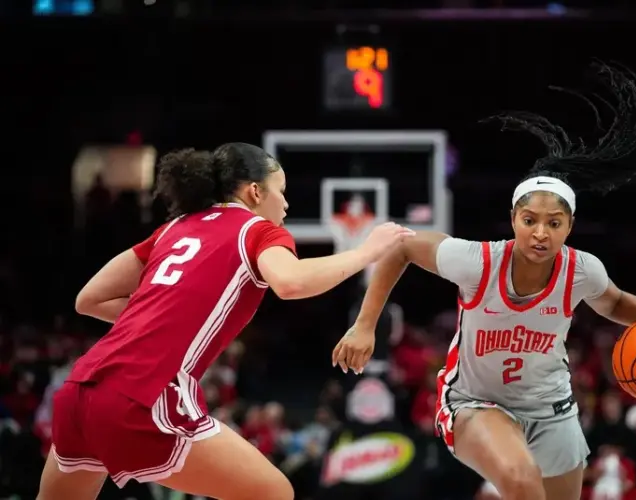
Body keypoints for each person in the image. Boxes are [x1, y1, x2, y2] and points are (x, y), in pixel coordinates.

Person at [332, 41, 636, 500]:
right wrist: (364, 325)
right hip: (475, 402)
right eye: (529, 221)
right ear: (513, 219)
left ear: (569, 226)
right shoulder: (478, 261)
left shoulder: (580, 270)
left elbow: (614, 301)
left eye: (554, 224)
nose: (540, 233)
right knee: (519, 480)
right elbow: (401, 248)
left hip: (552, 408)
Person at [37, 142, 414, 500]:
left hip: (81, 391)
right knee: (274, 493)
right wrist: (366, 250)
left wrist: (167, 317)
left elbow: (89, 299)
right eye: (279, 190)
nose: (285, 202)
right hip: (145, 392)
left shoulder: (174, 228)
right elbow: (292, 282)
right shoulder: (257, 230)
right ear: (254, 192)